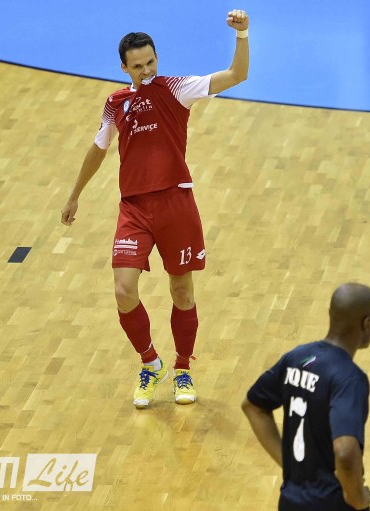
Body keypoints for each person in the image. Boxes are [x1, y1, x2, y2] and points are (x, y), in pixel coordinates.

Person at [60, 10, 250, 408]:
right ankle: (151, 363)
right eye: (138, 66)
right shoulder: (115, 103)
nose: (146, 70)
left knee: (181, 291)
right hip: (134, 209)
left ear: (157, 58)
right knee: (123, 290)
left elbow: (237, 75)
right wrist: (75, 193)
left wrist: (242, 34)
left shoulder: (177, 89)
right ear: (124, 68)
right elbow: (99, 149)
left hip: (175, 204)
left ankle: (182, 368)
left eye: (151, 62)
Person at [242, 283, 370, 511]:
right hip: (333, 504)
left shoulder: (296, 358)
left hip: (290, 501)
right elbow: (345, 451)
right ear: (368, 323)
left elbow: (253, 406)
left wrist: (289, 465)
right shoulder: (349, 378)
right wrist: (357, 499)